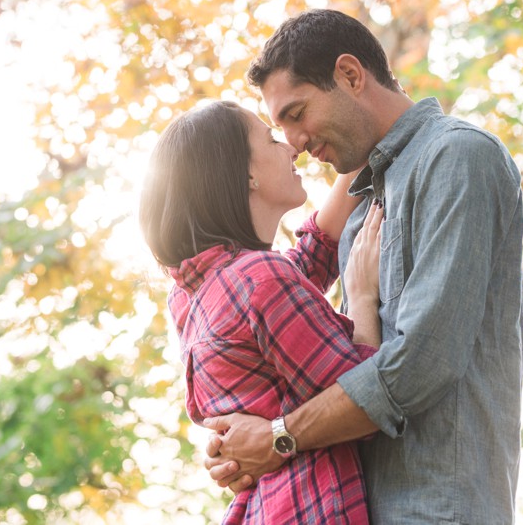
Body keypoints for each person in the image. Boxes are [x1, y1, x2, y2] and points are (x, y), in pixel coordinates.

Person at [203, 9, 523, 524]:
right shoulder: (365, 205)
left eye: (296, 113)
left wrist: (280, 436)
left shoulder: (458, 157)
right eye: (279, 128)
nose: (295, 142)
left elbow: (422, 363)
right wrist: (239, 439)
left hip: (437, 509)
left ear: (351, 75)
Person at [139, 99, 387, 524]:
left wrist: (362, 137)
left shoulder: (193, 293)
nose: (291, 148)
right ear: (246, 174)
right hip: (315, 507)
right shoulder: (260, 279)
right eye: (271, 139)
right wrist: (362, 298)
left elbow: (310, 258)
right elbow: (365, 400)